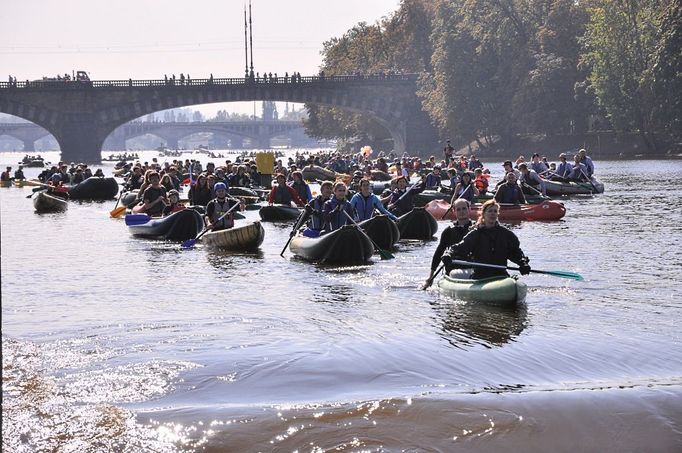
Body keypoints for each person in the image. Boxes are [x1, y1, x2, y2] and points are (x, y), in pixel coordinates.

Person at [441, 200, 531, 279]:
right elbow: (459, 248)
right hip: (480, 275)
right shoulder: (476, 234)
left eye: (495, 211)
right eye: (490, 211)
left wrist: (523, 263)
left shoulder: (506, 234)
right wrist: (448, 254)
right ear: (483, 214)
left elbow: (515, 252)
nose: (492, 214)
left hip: (500, 274)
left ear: (497, 214)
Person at [424, 198, 474, 286]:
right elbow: (439, 253)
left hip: (473, 267)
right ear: (454, 211)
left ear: (469, 209)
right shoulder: (449, 231)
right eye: (458, 209)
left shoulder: (477, 229)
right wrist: (431, 276)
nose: (461, 211)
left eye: (464, 208)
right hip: (453, 268)